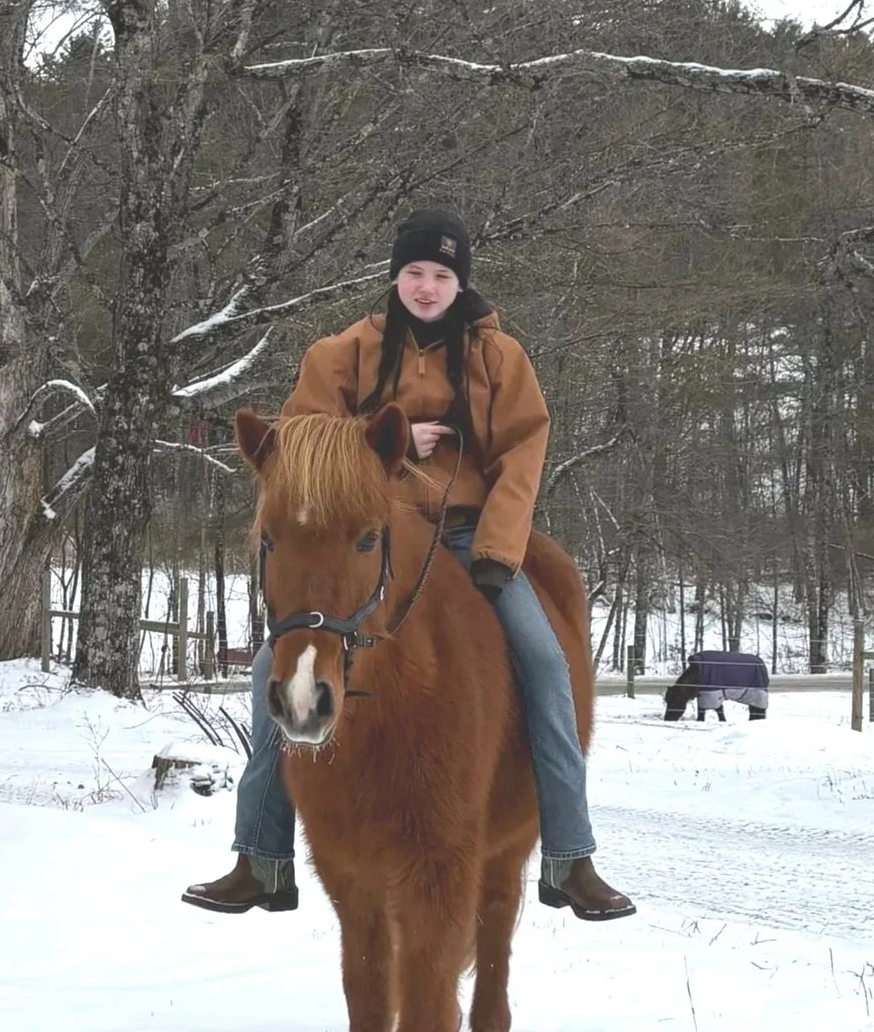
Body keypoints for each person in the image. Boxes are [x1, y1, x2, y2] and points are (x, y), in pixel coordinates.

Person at [182, 208, 634, 922]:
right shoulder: (341, 353)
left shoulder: (499, 359)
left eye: (442, 275)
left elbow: (522, 455)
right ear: (395, 276)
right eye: (415, 272)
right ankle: (261, 858)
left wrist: (498, 551)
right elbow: (301, 447)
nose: (427, 286)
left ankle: (569, 856)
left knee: (546, 663)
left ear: (461, 283)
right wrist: (381, 438)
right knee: (274, 663)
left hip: (466, 535)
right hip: (369, 541)